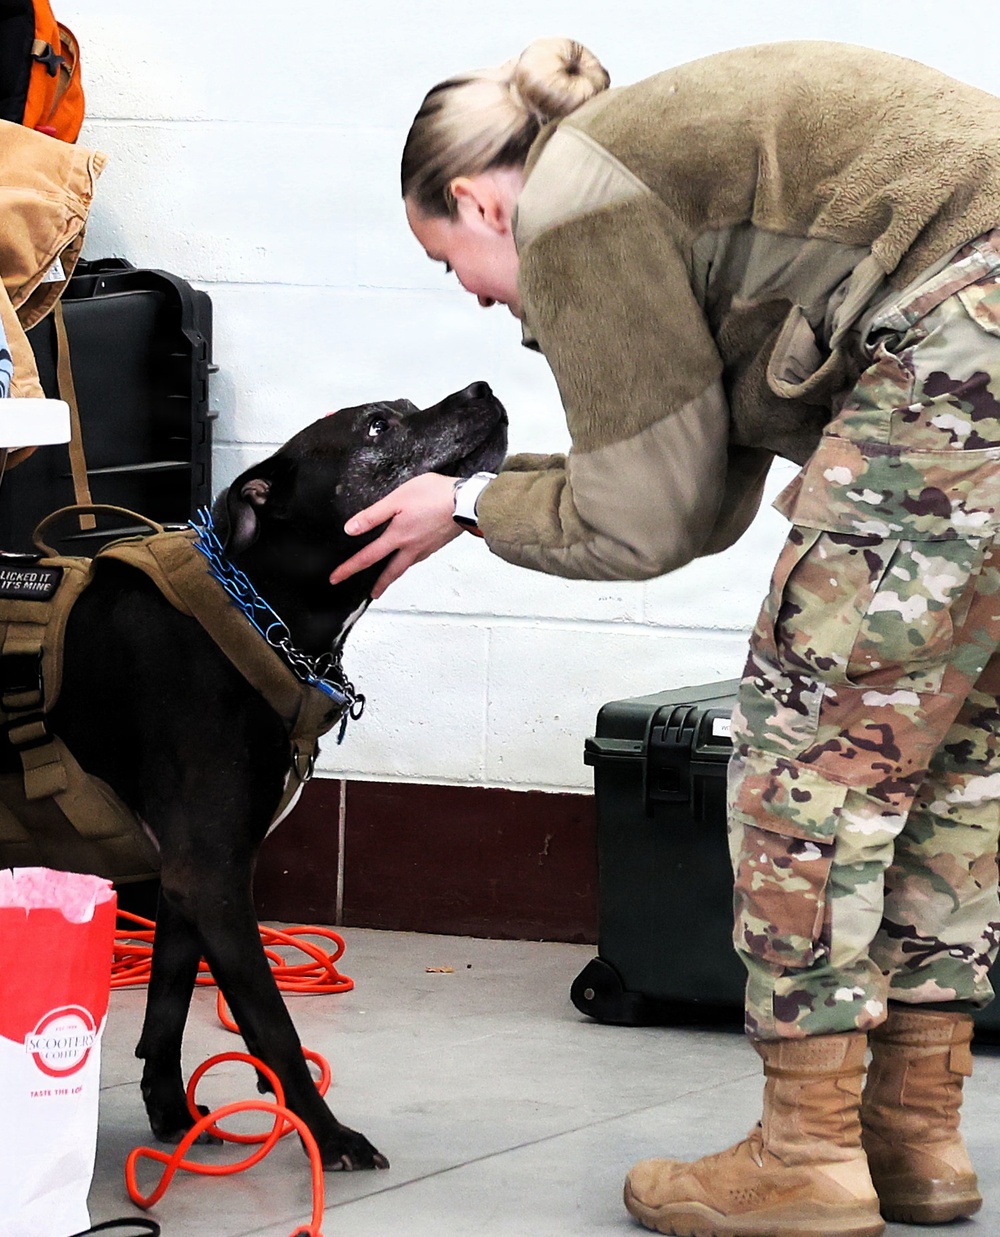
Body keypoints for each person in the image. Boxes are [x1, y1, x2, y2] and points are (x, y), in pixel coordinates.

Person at [330, 37, 1000, 1237]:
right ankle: (913, 1134)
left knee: (811, 767)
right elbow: (690, 498)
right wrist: (485, 497)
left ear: (481, 202)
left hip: (959, 341)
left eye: (448, 260)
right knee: (946, 755)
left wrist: (467, 503)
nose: (475, 296)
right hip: (973, 331)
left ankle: (806, 1156)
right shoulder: (659, 168)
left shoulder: (574, 200)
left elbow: (637, 522)